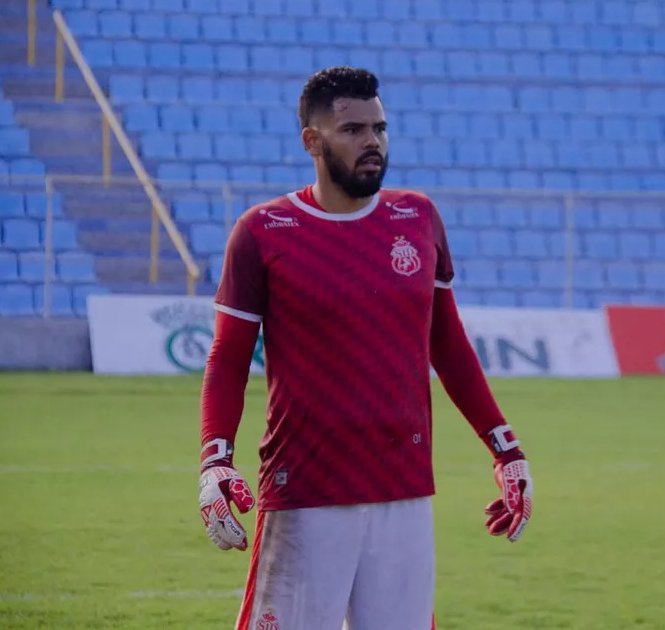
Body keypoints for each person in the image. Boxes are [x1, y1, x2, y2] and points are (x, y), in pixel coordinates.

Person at [197, 66, 534, 630]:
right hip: (306, 490)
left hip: (404, 490)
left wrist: (507, 449)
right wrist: (215, 461)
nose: (372, 141)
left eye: (379, 128)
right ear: (312, 141)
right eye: (353, 130)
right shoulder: (263, 231)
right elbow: (228, 360)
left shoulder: (418, 218)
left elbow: (448, 344)